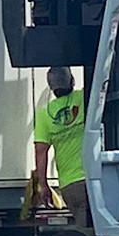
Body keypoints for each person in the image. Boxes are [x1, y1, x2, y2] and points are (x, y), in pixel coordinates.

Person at [34, 65, 89, 227]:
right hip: (90, 180)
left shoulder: (44, 114)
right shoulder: (84, 98)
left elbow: (40, 152)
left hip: (69, 186)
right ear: (72, 81)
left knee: (83, 229)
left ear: (51, 88)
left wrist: (44, 185)